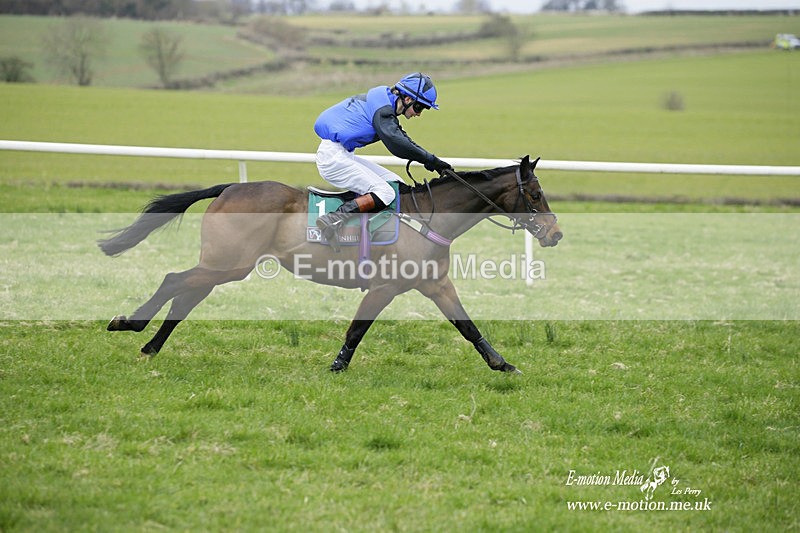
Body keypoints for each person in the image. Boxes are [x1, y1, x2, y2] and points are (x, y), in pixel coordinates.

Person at [313, 72, 452, 250]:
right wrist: (432, 161)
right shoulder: (383, 110)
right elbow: (398, 144)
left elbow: (401, 137)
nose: (419, 114)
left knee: (396, 184)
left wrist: (432, 161)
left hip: (342, 154)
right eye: (419, 108)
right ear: (408, 98)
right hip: (333, 159)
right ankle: (334, 219)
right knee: (385, 193)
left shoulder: (385, 102)